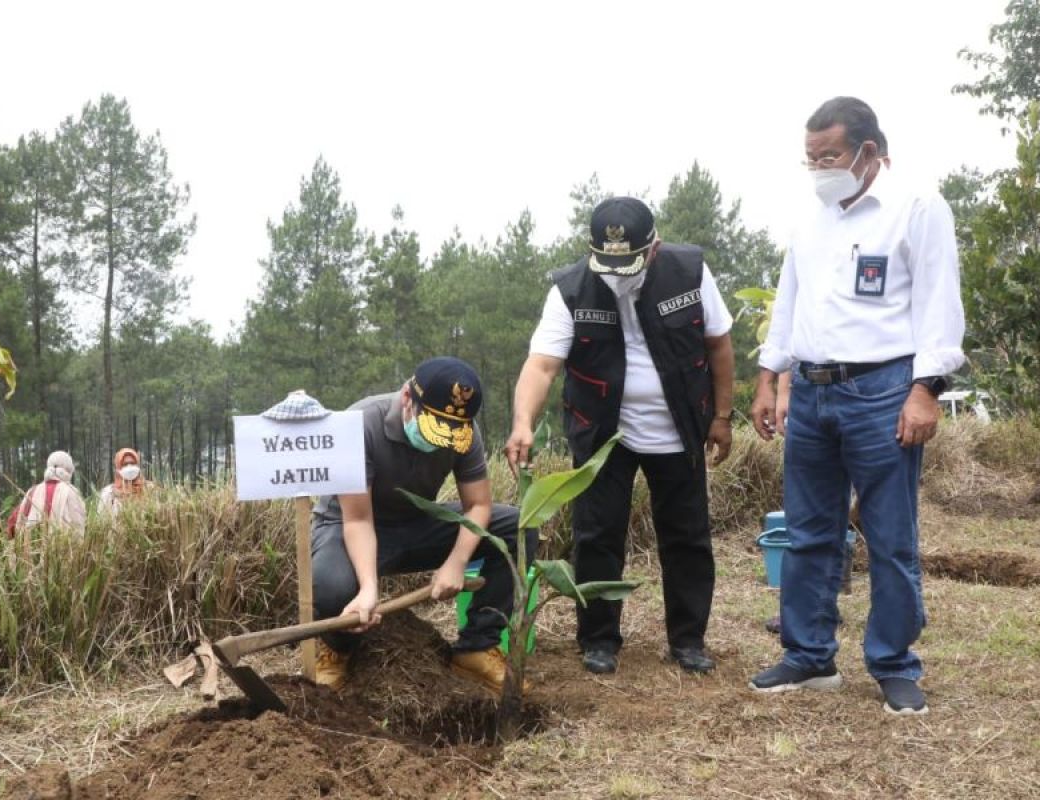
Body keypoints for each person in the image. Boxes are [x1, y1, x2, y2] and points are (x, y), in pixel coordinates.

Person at [749, 97, 965, 715]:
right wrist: (770, 376)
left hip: (883, 390)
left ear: (869, 152)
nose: (819, 169)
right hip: (812, 393)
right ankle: (808, 656)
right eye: (810, 158)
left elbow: (938, 305)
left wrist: (926, 390)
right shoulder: (811, 220)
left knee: (889, 535)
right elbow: (788, 303)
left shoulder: (916, 209)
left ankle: (894, 664)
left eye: (830, 157)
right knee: (811, 530)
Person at [506, 196, 735, 676]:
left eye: (625, 262)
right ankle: (599, 639)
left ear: (653, 247)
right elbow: (543, 364)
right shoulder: (570, 288)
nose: (616, 273)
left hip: (679, 426)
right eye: (606, 262)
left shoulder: (690, 272)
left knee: (687, 536)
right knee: (597, 535)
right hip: (602, 432)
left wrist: (721, 416)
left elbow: (718, 343)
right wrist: (523, 422)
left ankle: (688, 639)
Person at [311, 357, 537, 693]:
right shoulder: (360, 424)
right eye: (434, 428)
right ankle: (336, 649)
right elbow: (358, 519)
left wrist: (456, 563)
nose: (439, 441)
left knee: (517, 527)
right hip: (346, 525)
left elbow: (478, 505)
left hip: (415, 522)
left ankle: (476, 647)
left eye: (449, 434)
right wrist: (369, 588)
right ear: (407, 398)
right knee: (332, 586)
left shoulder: (463, 430)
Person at [11, 451, 87, 536]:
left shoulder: (31, 491)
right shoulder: (72, 492)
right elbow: (78, 527)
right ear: (69, 470)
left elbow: (15, 524)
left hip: (31, 548)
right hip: (63, 548)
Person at [98, 448, 147, 515]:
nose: (129, 467)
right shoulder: (108, 493)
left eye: (132, 463)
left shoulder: (148, 488)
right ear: (118, 467)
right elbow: (101, 517)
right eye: (125, 464)